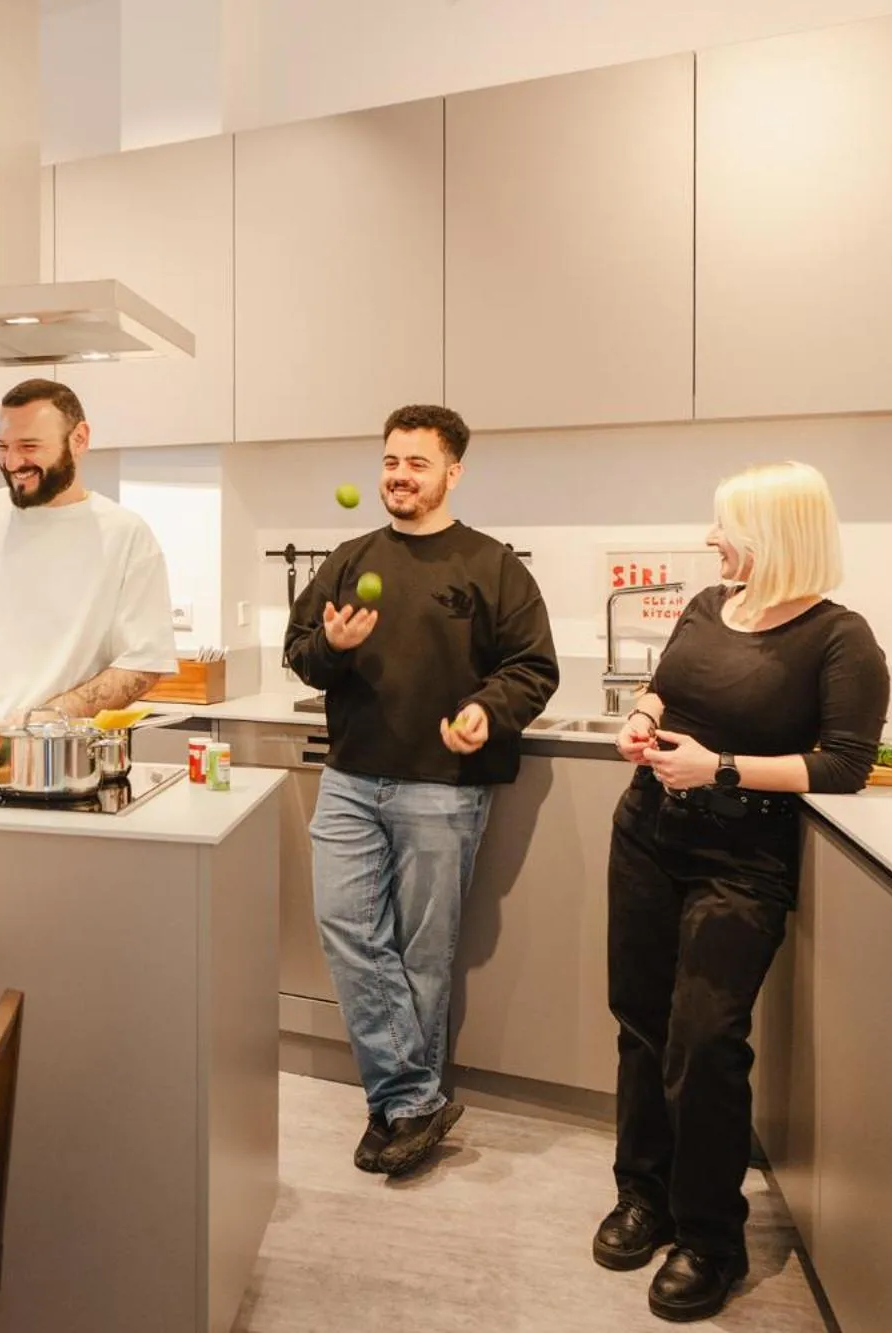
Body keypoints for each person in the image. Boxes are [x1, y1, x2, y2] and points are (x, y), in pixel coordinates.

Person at [595, 461, 887, 1322]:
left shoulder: (841, 638)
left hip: (741, 860)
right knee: (641, 1021)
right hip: (647, 832)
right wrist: (643, 717)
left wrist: (718, 767)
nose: (712, 537)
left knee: (706, 1039)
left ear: (777, 535)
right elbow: (664, 681)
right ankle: (641, 1195)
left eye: (725, 524)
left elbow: (844, 765)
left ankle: (709, 1237)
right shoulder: (707, 603)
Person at [283, 404, 559, 1178]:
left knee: (422, 955)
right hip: (349, 777)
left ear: (453, 472)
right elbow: (300, 653)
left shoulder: (493, 565)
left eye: (417, 463)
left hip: (446, 786)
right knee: (345, 928)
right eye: (391, 461)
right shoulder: (348, 556)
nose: (399, 476)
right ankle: (414, 1097)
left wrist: (484, 710)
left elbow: (534, 669)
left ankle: (396, 1109)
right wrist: (331, 647)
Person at [0, 378, 179, 739]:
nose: (13, 462)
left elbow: (143, 664)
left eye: (29, 446)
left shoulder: (125, 535)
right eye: (2, 447)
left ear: (79, 439)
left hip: (67, 754)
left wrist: (52, 714)